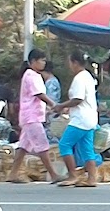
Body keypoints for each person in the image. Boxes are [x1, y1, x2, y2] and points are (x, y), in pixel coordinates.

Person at [7, 50, 63, 184]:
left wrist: (49, 108)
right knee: (42, 144)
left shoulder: (32, 75)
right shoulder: (32, 75)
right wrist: (54, 105)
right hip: (32, 117)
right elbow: (39, 94)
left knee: (23, 146)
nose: (44, 62)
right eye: (41, 60)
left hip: (31, 116)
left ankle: (13, 174)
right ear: (33, 61)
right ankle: (53, 174)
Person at [53, 51, 99, 187]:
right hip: (90, 117)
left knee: (65, 144)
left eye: (70, 62)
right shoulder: (88, 76)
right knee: (87, 148)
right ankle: (91, 178)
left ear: (75, 62)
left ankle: (72, 175)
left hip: (81, 118)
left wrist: (61, 106)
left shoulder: (79, 78)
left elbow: (78, 99)